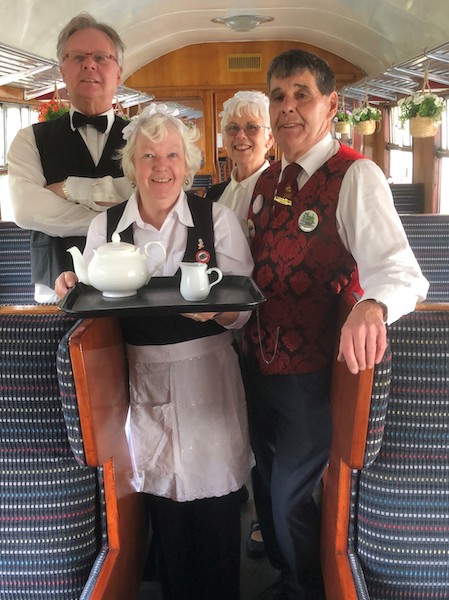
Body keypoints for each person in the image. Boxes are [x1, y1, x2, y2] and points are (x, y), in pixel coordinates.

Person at [242, 49, 429, 600]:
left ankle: (307, 587)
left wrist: (374, 306)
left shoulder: (355, 175)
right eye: (278, 96)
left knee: (289, 496)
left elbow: (402, 273)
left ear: (331, 105)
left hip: (314, 374)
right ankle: (284, 575)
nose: (288, 108)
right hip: (255, 363)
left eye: (302, 94)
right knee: (262, 478)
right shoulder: (264, 179)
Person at [55, 103, 255, 600]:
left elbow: (245, 310)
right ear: (132, 167)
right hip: (141, 378)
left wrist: (220, 314)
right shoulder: (106, 229)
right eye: (148, 156)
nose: (160, 167)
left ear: (186, 165)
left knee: (216, 508)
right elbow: (95, 304)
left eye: (171, 155)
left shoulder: (219, 220)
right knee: (164, 506)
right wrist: (69, 289)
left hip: (210, 376)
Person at [8, 12, 132, 303]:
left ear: (118, 73)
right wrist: (116, 216)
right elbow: (27, 209)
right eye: (77, 57)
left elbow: (148, 199)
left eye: (101, 57)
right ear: (62, 71)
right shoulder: (29, 139)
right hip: (55, 290)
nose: (89, 64)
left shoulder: (143, 139)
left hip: (131, 278)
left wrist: (68, 190)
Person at [207, 89, 274, 560]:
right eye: (233, 128)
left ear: (270, 138)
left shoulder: (277, 188)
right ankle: (243, 496)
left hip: (268, 332)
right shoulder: (223, 192)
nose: (242, 136)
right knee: (237, 419)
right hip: (230, 329)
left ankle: (266, 525)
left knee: (266, 431)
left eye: (252, 128)